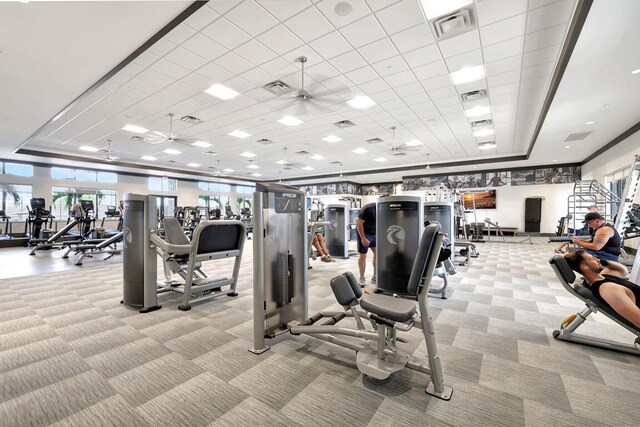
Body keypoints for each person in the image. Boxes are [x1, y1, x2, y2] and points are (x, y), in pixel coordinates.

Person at [564, 250, 640, 329]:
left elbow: (623, 270)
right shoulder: (608, 289)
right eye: (593, 259)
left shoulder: (603, 277)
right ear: (584, 267)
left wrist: (602, 262)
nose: (598, 259)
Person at [356, 202, 376, 287]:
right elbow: (359, 224)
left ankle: (375, 276)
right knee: (363, 255)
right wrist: (363, 238)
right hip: (364, 232)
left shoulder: (385, 209)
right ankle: (362, 277)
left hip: (374, 232)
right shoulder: (368, 209)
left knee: (377, 253)